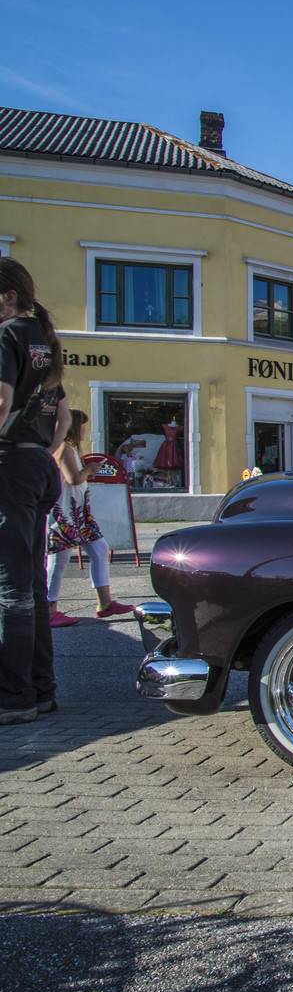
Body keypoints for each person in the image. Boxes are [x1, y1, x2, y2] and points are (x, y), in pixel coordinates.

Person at [0, 256, 69, 725]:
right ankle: (40, 690)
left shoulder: (6, 335)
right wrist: (46, 451)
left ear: (7, 297)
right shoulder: (44, 342)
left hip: (10, 463)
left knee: (10, 587)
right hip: (39, 465)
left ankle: (13, 697)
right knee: (31, 588)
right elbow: (63, 417)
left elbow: (1, 399)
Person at [47, 409, 133, 627]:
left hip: (78, 514)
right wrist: (89, 469)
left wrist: (86, 471)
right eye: (82, 425)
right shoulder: (64, 449)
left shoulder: (69, 448)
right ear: (74, 427)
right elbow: (73, 479)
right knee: (59, 559)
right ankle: (49, 609)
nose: (85, 430)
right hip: (65, 514)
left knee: (99, 549)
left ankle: (105, 603)